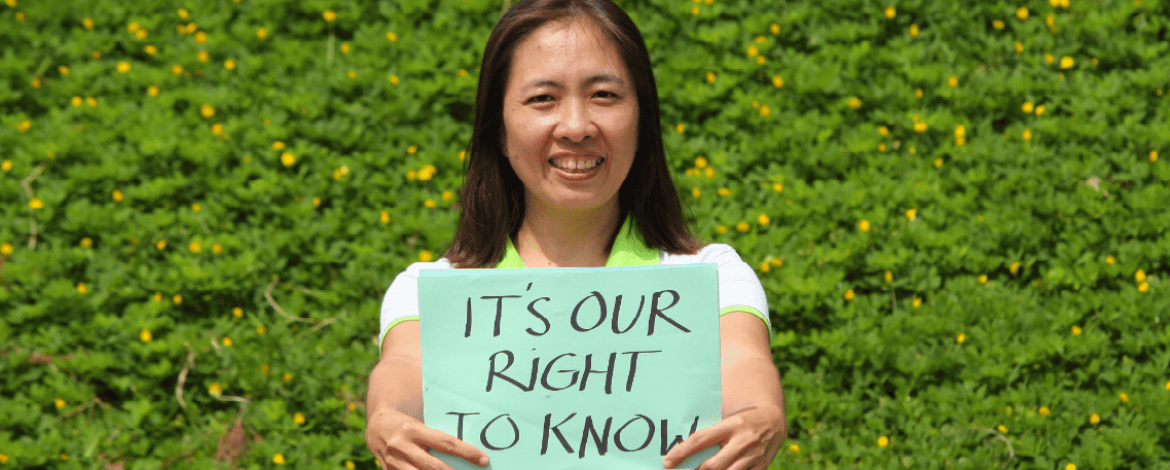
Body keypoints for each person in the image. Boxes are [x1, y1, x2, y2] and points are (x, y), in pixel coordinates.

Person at [365, 0, 787, 468]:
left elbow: (743, 363)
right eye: (542, 98)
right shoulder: (429, 292)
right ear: (499, 132)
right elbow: (402, 370)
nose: (576, 127)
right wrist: (387, 417)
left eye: (604, 95)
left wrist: (761, 413)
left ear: (643, 120)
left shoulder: (713, 277)